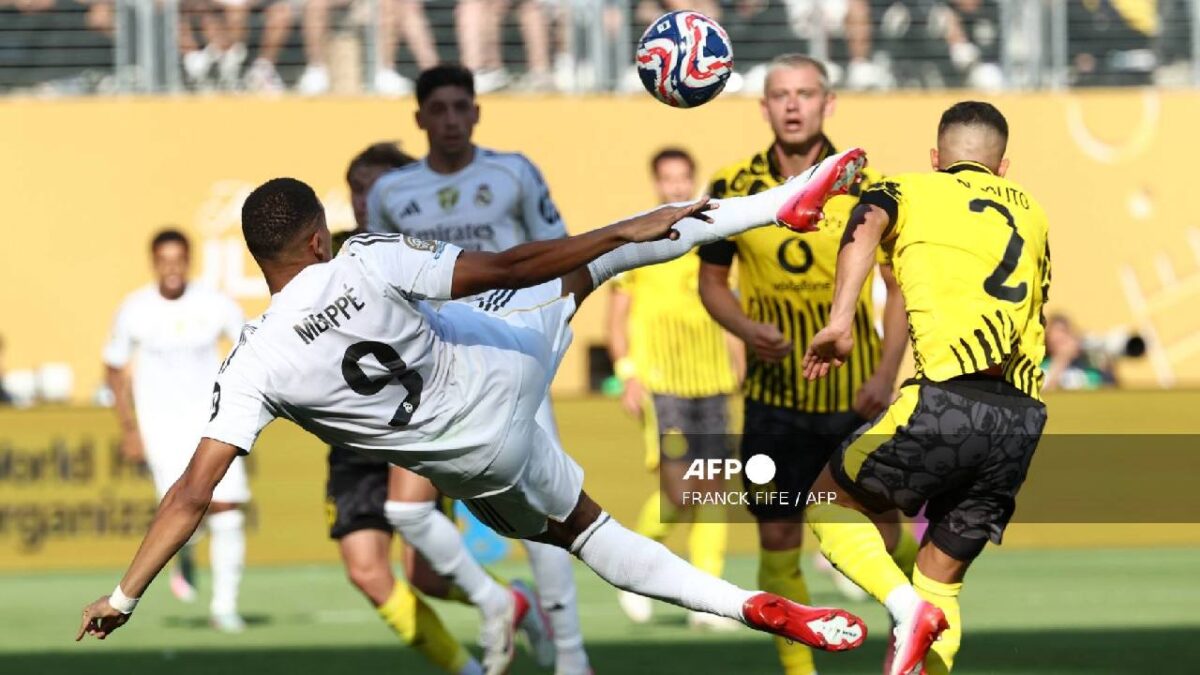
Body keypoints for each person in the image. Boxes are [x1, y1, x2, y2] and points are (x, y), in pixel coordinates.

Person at [76, 148, 874, 665]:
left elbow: (189, 492)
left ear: (260, 260)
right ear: (321, 237)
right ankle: (784, 202)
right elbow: (513, 263)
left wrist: (123, 595)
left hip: (472, 463)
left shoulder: (252, 361)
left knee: (593, 535)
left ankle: (752, 607)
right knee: (618, 247)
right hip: (504, 367)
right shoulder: (365, 256)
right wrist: (614, 234)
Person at [802, 101, 1050, 675]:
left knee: (826, 501)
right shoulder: (1033, 212)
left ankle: (900, 606)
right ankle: (920, 614)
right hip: (1021, 419)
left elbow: (865, 223)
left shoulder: (910, 189)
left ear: (936, 159)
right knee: (942, 577)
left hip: (948, 397)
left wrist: (840, 320)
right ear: (1003, 167)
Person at [696, 52, 914, 675]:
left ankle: (909, 626)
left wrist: (884, 374)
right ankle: (800, 671)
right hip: (773, 403)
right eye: (780, 95)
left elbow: (898, 289)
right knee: (778, 538)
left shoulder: (870, 189)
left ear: (829, 103)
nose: (793, 105)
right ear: (764, 107)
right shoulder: (734, 186)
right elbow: (712, 286)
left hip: (857, 396)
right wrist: (744, 326)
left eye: (805, 93)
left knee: (885, 530)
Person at [368, 64, 587, 675]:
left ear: (477, 112)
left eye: (461, 107)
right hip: (437, 364)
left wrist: (552, 334)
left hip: (514, 351)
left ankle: (571, 656)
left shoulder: (513, 173)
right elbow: (384, 284)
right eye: (437, 109)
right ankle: (500, 603)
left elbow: (558, 252)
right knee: (406, 509)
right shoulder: (393, 194)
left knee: (545, 502)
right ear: (419, 119)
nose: (451, 120)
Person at [330, 142, 486, 675]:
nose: (363, 199)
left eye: (375, 187)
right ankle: (468, 668)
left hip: (413, 426)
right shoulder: (330, 254)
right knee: (367, 572)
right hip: (352, 435)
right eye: (356, 187)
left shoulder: (429, 256)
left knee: (426, 578)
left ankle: (514, 606)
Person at [607, 147, 742, 630]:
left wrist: (739, 358)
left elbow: (726, 303)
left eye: (684, 177)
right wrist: (626, 373)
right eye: (669, 179)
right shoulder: (638, 240)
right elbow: (616, 318)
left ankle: (711, 600)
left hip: (713, 383)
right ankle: (630, 570)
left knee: (714, 489)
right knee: (681, 492)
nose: (678, 187)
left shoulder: (713, 237)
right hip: (663, 384)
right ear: (656, 183)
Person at [102, 229, 249, 633]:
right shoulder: (135, 308)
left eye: (178, 259)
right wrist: (129, 428)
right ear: (154, 263)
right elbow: (114, 367)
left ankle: (225, 607)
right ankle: (184, 553)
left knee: (227, 508)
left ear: (189, 261)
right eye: (163, 260)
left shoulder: (215, 303)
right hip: (161, 428)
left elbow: (250, 348)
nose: (171, 268)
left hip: (213, 423)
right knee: (183, 514)